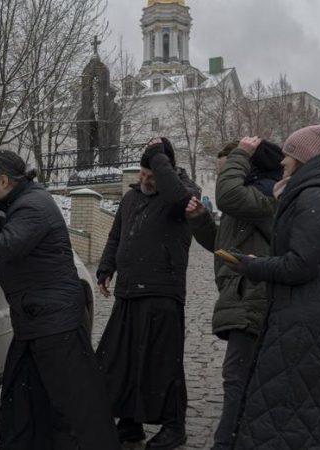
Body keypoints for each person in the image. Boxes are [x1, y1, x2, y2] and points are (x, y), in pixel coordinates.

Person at [0, 150, 119, 450]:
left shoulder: (33, 206)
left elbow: (7, 246)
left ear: (5, 180)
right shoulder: (24, 200)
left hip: (52, 323)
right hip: (39, 320)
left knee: (73, 407)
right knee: (27, 398)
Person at [228, 124, 320, 448]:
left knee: (294, 403)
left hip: (306, 317)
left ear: (304, 158)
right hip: (304, 312)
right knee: (295, 404)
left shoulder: (316, 197)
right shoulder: (314, 192)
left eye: (289, 155)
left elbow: (300, 264)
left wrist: (251, 265)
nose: (283, 161)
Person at [95, 137, 200, 450]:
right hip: (128, 292)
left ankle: (173, 426)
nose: (145, 180)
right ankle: (129, 423)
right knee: (122, 362)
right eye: (142, 174)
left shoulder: (182, 195)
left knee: (162, 363)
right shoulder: (130, 199)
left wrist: (158, 157)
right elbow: (116, 235)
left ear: (164, 170)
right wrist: (105, 268)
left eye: (151, 175)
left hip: (162, 293)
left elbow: (179, 199)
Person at [186, 137, 279, 450]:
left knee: (236, 375)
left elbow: (226, 195)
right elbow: (222, 247)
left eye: (230, 169)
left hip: (253, 294)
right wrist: (200, 221)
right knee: (244, 375)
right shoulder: (245, 200)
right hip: (239, 293)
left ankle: (227, 442)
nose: (224, 176)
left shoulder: (264, 195)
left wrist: (240, 154)